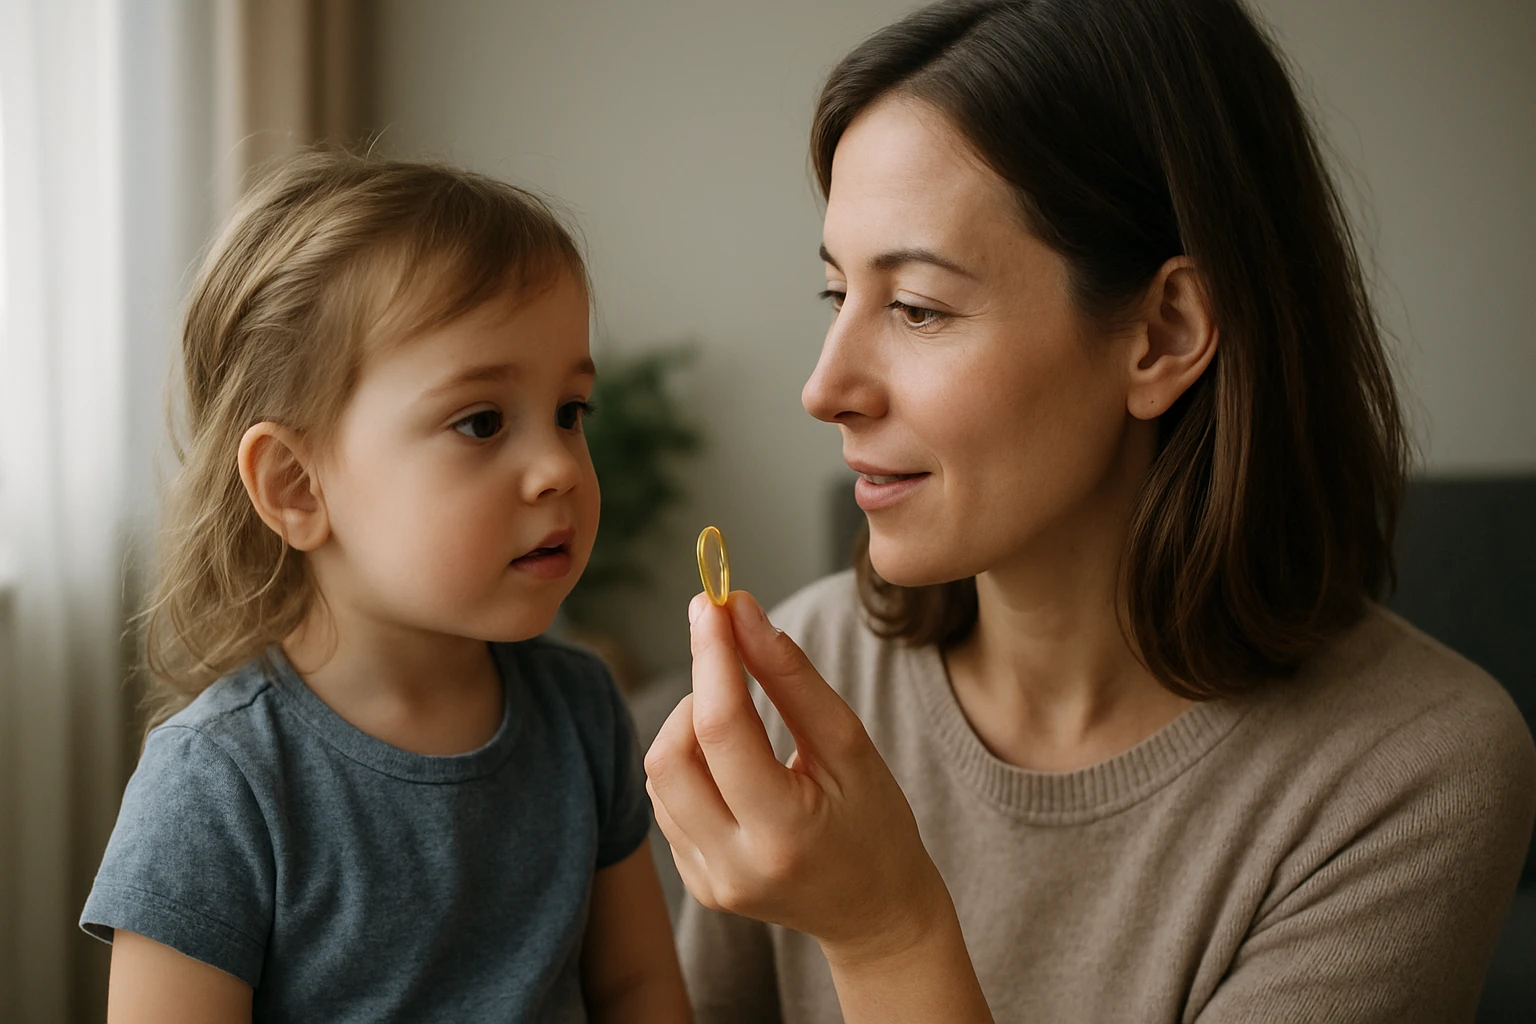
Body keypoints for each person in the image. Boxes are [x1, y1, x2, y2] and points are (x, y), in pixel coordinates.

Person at [644, 1, 1536, 1021]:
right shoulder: (806, 672)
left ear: (1162, 333)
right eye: (835, 295)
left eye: (918, 307)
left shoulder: (1416, 775)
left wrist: (886, 928)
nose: (825, 386)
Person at [80, 153, 690, 1023]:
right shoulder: (216, 785)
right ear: (296, 486)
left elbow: (637, 986)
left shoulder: (584, 709)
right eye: (481, 422)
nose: (559, 467)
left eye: (570, 412)